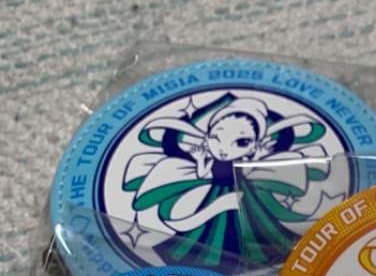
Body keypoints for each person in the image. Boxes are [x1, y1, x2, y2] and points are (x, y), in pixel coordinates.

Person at [121, 94, 334, 266]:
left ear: (255, 144)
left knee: (252, 229)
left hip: (244, 194)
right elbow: (203, 173)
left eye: (241, 142)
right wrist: (200, 160)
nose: (224, 149)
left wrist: (259, 157)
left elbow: (251, 169)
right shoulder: (209, 159)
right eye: (216, 138)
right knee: (207, 232)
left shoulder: (249, 163)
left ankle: (260, 259)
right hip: (214, 193)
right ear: (207, 138)